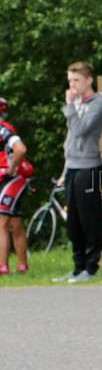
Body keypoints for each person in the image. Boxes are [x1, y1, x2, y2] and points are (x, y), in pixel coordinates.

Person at [56, 62, 102, 283]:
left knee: (89, 219)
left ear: (88, 80)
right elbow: (70, 140)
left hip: (89, 166)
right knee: (73, 221)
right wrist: (64, 170)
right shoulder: (75, 102)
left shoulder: (99, 102)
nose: (72, 85)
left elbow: (80, 130)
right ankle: (77, 267)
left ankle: (91, 266)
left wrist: (69, 107)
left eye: (76, 80)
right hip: (73, 166)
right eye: (70, 80)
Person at [0, 96, 33, 276]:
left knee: (1, 223)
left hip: (11, 180)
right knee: (14, 224)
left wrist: (11, 167)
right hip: (9, 180)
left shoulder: (3, 129)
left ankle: (2, 267)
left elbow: (21, 149)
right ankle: (22, 266)